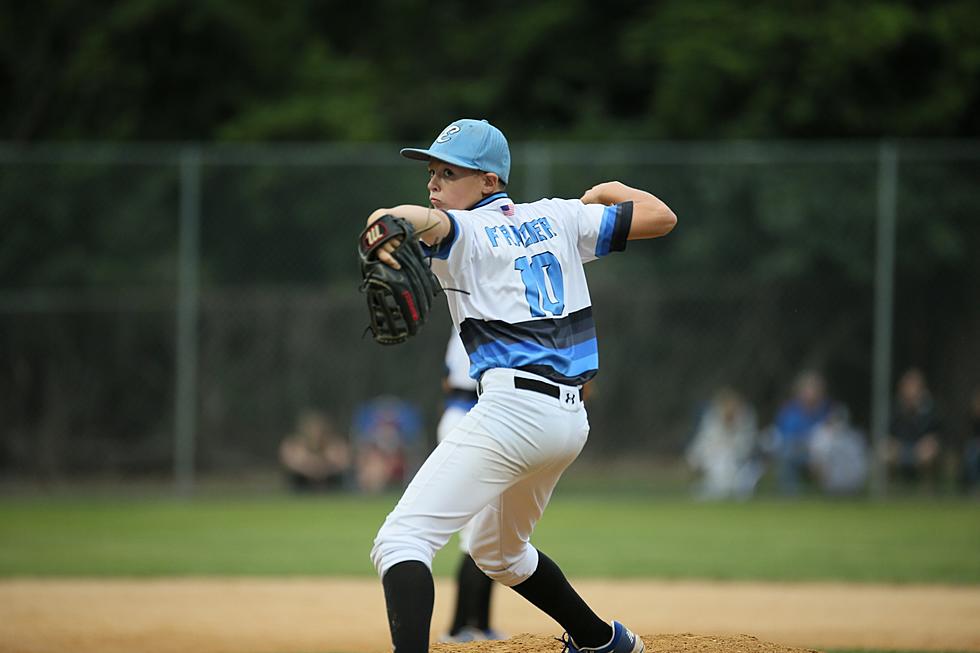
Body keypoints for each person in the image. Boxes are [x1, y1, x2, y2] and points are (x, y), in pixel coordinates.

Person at [366, 118, 676, 653]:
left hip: (513, 412)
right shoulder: (558, 216)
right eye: (431, 174)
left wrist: (385, 222)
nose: (433, 185)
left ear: (490, 181)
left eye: (448, 172)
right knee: (500, 554)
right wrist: (607, 191)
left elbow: (411, 221)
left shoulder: (462, 231)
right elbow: (660, 217)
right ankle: (605, 642)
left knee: (401, 540)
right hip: (568, 422)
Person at [437, 331, 503, 643]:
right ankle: (459, 627)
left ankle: (480, 624)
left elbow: (447, 382)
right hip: (470, 417)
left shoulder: (468, 318)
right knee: (478, 531)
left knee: (492, 528)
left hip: (475, 417)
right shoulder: (491, 318)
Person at [685, 387, 762, 500]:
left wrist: (729, 448)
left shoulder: (746, 419)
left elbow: (746, 443)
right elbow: (704, 439)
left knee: (730, 473)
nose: (728, 408)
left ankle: (725, 489)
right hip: (715, 456)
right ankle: (717, 489)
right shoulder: (712, 417)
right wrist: (695, 457)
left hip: (738, 459)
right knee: (716, 467)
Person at [769, 370, 832, 495]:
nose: (811, 393)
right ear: (800, 392)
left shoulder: (828, 411)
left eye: (815, 389)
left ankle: (837, 494)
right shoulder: (789, 412)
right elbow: (785, 438)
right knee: (787, 454)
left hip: (824, 453)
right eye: (808, 389)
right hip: (799, 451)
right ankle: (790, 495)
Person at [351, 396, 423, 493]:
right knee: (371, 462)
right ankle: (369, 489)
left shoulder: (400, 430)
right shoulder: (373, 433)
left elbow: (408, 444)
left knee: (376, 464)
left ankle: (372, 490)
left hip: (396, 459)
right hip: (376, 457)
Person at [886, 367, 943, 489]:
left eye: (914, 387)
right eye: (907, 387)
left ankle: (927, 489)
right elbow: (890, 431)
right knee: (886, 451)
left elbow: (935, 433)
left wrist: (919, 411)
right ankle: (890, 488)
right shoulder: (896, 407)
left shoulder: (929, 408)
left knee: (928, 451)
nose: (910, 391)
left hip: (921, 446)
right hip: (901, 445)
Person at [278, 409, 351, 492]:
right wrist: (314, 467)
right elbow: (290, 461)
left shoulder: (335, 445)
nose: (315, 433)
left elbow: (343, 462)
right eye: (312, 429)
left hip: (330, 481)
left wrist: (318, 467)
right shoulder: (296, 444)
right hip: (302, 481)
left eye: (318, 429)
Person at [807, 404, 869, 496]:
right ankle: (820, 493)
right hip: (828, 481)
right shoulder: (821, 434)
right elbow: (816, 460)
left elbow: (862, 463)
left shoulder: (855, 436)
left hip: (852, 482)